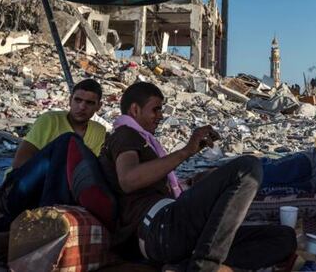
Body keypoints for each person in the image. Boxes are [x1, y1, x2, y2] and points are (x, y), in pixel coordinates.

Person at [99, 82, 296, 272]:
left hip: (175, 230)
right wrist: (186, 151)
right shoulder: (125, 134)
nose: (160, 116)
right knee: (248, 167)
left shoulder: (144, 139)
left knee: (284, 238)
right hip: (159, 229)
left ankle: (182, 267)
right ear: (135, 110)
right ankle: (205, 267)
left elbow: (151, 179)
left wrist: (196, 182)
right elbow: (129, 180)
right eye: (155, 110)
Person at [0, 79, 114, 230]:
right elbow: (19, 163)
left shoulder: (99, 131)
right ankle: (50, 215)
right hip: (18, 191)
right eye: (78, 100)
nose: (82, 107)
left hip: (56, 198)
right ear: (70, 100)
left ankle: (40, 217)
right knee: (69, 142)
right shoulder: (50, 120)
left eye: (90, 103)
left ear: (98, 106)